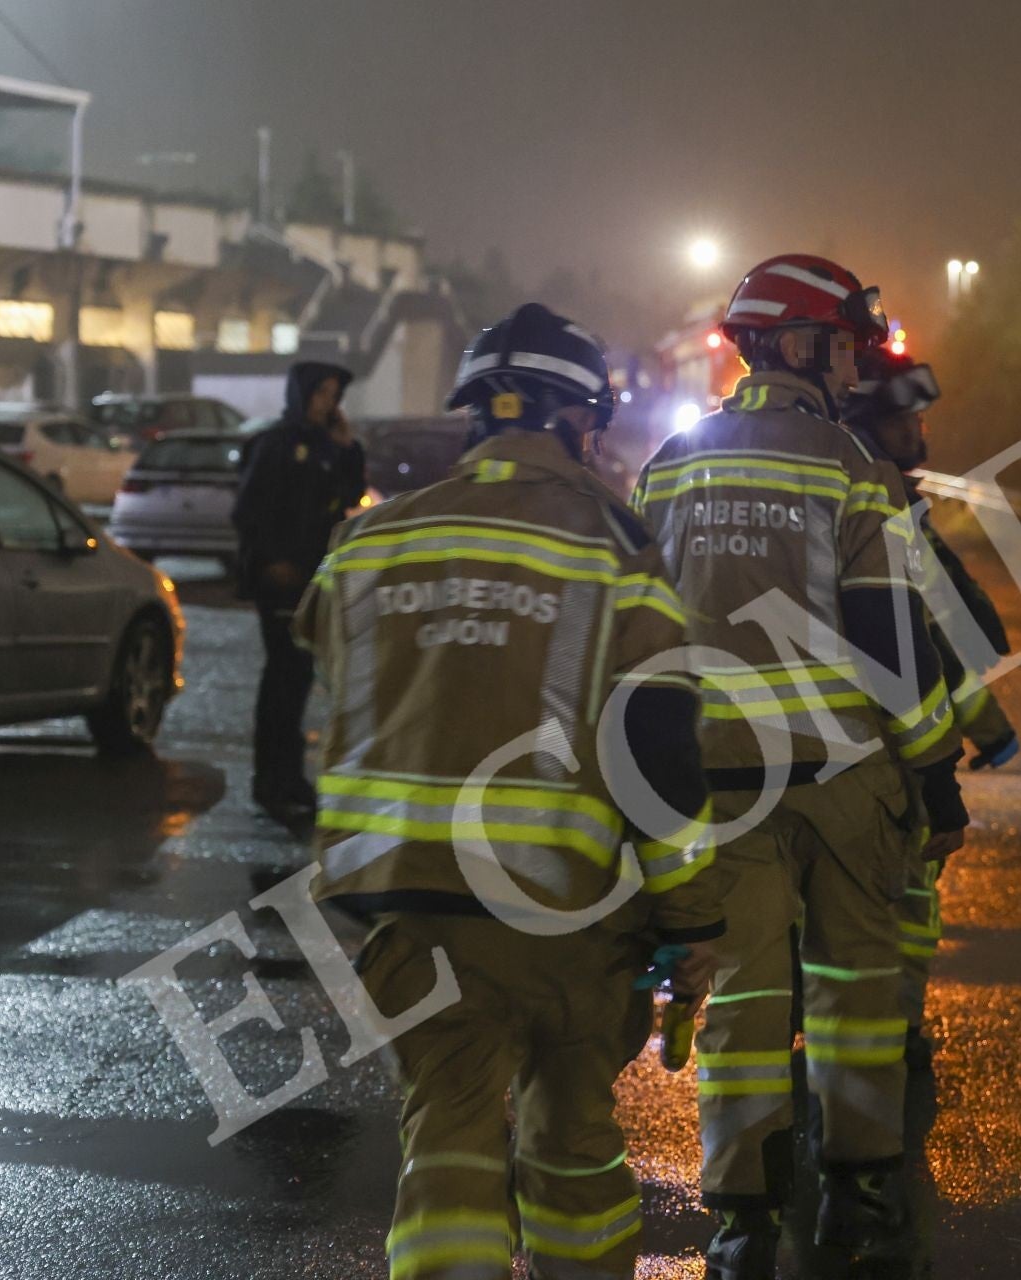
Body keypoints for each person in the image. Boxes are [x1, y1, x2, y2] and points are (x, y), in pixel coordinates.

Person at [294, 303, 725, 1280]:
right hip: (557, 914)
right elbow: (658, 746)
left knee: (445, 1135)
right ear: (581, 421)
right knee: (571, 1138)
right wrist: (693, 918)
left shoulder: (370, 542)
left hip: (401, 909)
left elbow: (337, 688)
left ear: (474, 417)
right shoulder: (614, 544)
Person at [630, 254, 967, 1278]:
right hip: (844, 783)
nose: (853, 365)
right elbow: (888, 634)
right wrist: (937, 774)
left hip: (719, 791)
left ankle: (742, 1219)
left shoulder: (669, 467)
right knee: (858, 992)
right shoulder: (849, 468)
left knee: (740, 1003)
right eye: (841, 343)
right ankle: (862, 1198)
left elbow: (636, 647)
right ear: (796, 345)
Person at [843, 345, 1018, 1062]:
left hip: (867, 749)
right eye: (905, 421)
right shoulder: (879, 512)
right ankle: (890, 1032)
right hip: (889, 755)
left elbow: (948, 642)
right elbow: (934, 647)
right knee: (899, 900)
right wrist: (954, 760)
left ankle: (889, 1024)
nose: (920, 435)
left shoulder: (883, 502)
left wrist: (988, 724)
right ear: (864, 422)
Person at [231, 360, 365, 824]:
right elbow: (250, 509)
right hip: (282, 581)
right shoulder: (276, 443)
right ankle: (270, 780)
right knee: (282, 681)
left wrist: (347, 448)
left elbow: (350, 493)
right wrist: (272, 561)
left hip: (314, 576)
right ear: (301, 394)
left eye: (334, 394)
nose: (329, 402)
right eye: (322, 393)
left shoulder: (326, 446)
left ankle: (290, 778)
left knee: (299, 677)